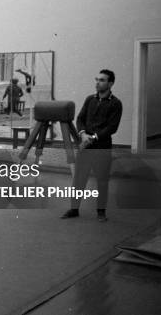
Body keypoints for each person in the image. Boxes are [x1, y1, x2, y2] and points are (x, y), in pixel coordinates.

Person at [61, 69, 123, 222]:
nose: (98, 82)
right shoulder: (90, 99)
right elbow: (80, 118)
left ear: (110, 83)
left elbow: (112, 127)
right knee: (79, 179)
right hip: (86, 146)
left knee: (102, 180)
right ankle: (74, 209)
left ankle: (101, 212)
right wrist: (82, 134)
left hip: (102, 147)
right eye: (97, 79)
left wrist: (93, 137)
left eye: (102, 80)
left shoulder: (116, 103)